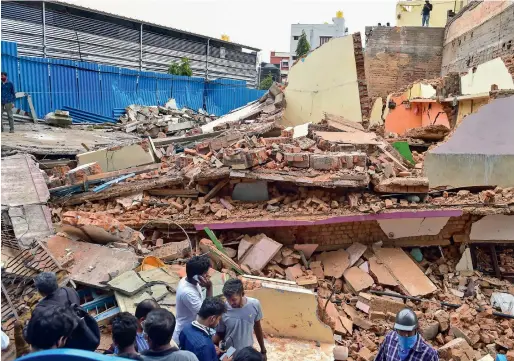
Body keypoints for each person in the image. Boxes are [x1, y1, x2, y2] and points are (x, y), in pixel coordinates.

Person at [213, 279, 266, 360]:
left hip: (247, 353)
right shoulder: (224, 308)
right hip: (229, 352)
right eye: (228, 299)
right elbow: (220, 333)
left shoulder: (255, 304)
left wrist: (263, 351)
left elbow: (258, 327)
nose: (231, 303)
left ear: (242, 294)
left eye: (234, 299)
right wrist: (215, 348)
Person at [172, 256, 213, 344]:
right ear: (196, 277)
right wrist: (209, 288)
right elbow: (207, 314)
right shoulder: (188, 293)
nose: (208, 275)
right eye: (205, 273)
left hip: (191, 330)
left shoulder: (187, 280)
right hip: (185, 335)